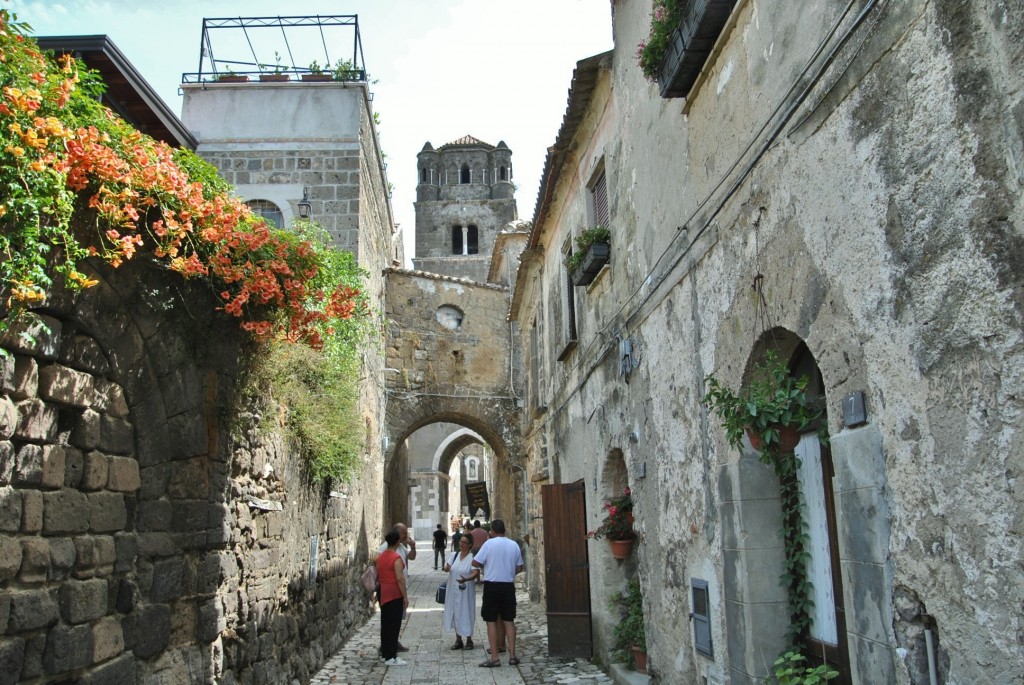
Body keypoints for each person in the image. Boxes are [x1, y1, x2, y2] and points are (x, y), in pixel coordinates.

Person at [471, 519, 524, 667]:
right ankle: (513, 655)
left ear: (492, 531)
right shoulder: (513, 545)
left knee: (491, 621)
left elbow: (475, 562)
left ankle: (495, 657)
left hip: (492, 586)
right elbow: (519, 568)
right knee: (509, 620)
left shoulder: (489, 544)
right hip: (508, 586)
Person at [378, 523, 416, 652]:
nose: (406, 535)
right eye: (404, 532)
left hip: (393, 589)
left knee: (393, 619)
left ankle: (391, 644)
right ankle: (389, 648)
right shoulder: (386, 550)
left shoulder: (400, 547)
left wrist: (413, 547)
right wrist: (404, 596)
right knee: (391, 620)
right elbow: (397, 576)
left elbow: (411, 557)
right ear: (398, 533)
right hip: (392, 590)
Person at [377, 530, 409, 666]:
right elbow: (400, 579)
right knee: (394, 626)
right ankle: (391, 656)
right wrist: (405, 597)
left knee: (385, 624)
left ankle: (385, 654)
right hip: (394, 593)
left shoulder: (381, 557)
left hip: (384, 592)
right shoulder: (395, 558)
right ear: (397, 542)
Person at [442, 535, 478, 650]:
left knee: (466, 612)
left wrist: (467, 579)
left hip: (466, 592)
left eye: (464, 542)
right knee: (455, 612)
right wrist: (446, 568)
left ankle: (469, 639)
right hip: (453, 590)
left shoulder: (472, 558)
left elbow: (475, 572)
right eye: (460, 542)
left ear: (470, 545)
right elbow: (447, 567)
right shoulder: (454, 555)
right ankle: (458, 639)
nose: (461, 544)